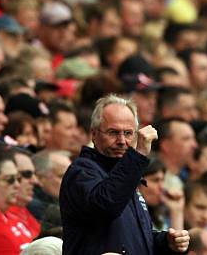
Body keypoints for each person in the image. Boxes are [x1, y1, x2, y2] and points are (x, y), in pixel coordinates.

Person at [59, 93, 189, 254]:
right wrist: (138, 154)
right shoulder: (81, 172)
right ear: (94, 134)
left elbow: (134, 240)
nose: (122, 141)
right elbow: (106, 206)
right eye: (113, 132)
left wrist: (166, 242)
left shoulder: (128, 174)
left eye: (128, 133)